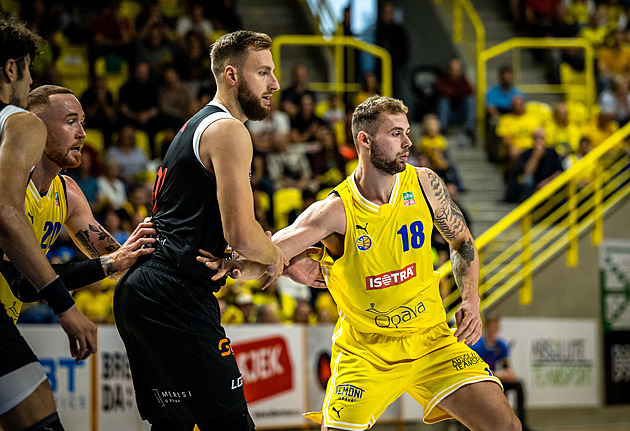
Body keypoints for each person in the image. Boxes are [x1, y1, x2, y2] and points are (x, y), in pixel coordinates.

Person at [201, 95, 521, 431]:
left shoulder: (425, 183)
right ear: (364, 140)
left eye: (407, 132)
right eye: (396, 134)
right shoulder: (334, 211)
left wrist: (471, 299)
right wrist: (232, 267)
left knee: (506, 426)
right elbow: (273, 251)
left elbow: (462, 241)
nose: (408, 142)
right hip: (366, 353)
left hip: (432, 340)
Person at [113, 30, 288, 431]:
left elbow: (204, 226)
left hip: (147, 290)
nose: (274, 84)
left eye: (273, 73)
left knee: (172, 426)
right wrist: (276, 256)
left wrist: (230, 258)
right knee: (230, 425)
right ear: (231, 75)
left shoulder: (197, 125)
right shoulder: (229, 131)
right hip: (173, 293)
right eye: (263, 72)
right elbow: (242, 233)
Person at [0, 15, 95, 431]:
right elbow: (6, 217)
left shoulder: (68, 193)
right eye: (29, 70)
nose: (82, 134)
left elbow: (108, 250)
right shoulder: (20, 122)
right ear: (11, 67)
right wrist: (66, 305)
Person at [1, 84, 156, 323]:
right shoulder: (9, 189)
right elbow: (23, 284)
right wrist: (112, 262)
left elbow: (121, 261)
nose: (82, 133)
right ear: (36, 128)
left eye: (82, 122)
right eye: (71, 122)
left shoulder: (67, 192)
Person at [471, 315, 532, 431]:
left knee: (518, 384)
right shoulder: (477, 346)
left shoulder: (501, 345)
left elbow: (506, 366)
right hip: (481, 381)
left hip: (495, 379)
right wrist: (499, 374)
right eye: (490, 328)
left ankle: (522, 424)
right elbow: (477, 372)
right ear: (486, 329)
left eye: (495, 328)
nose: (493, 331)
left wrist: (509, 374)